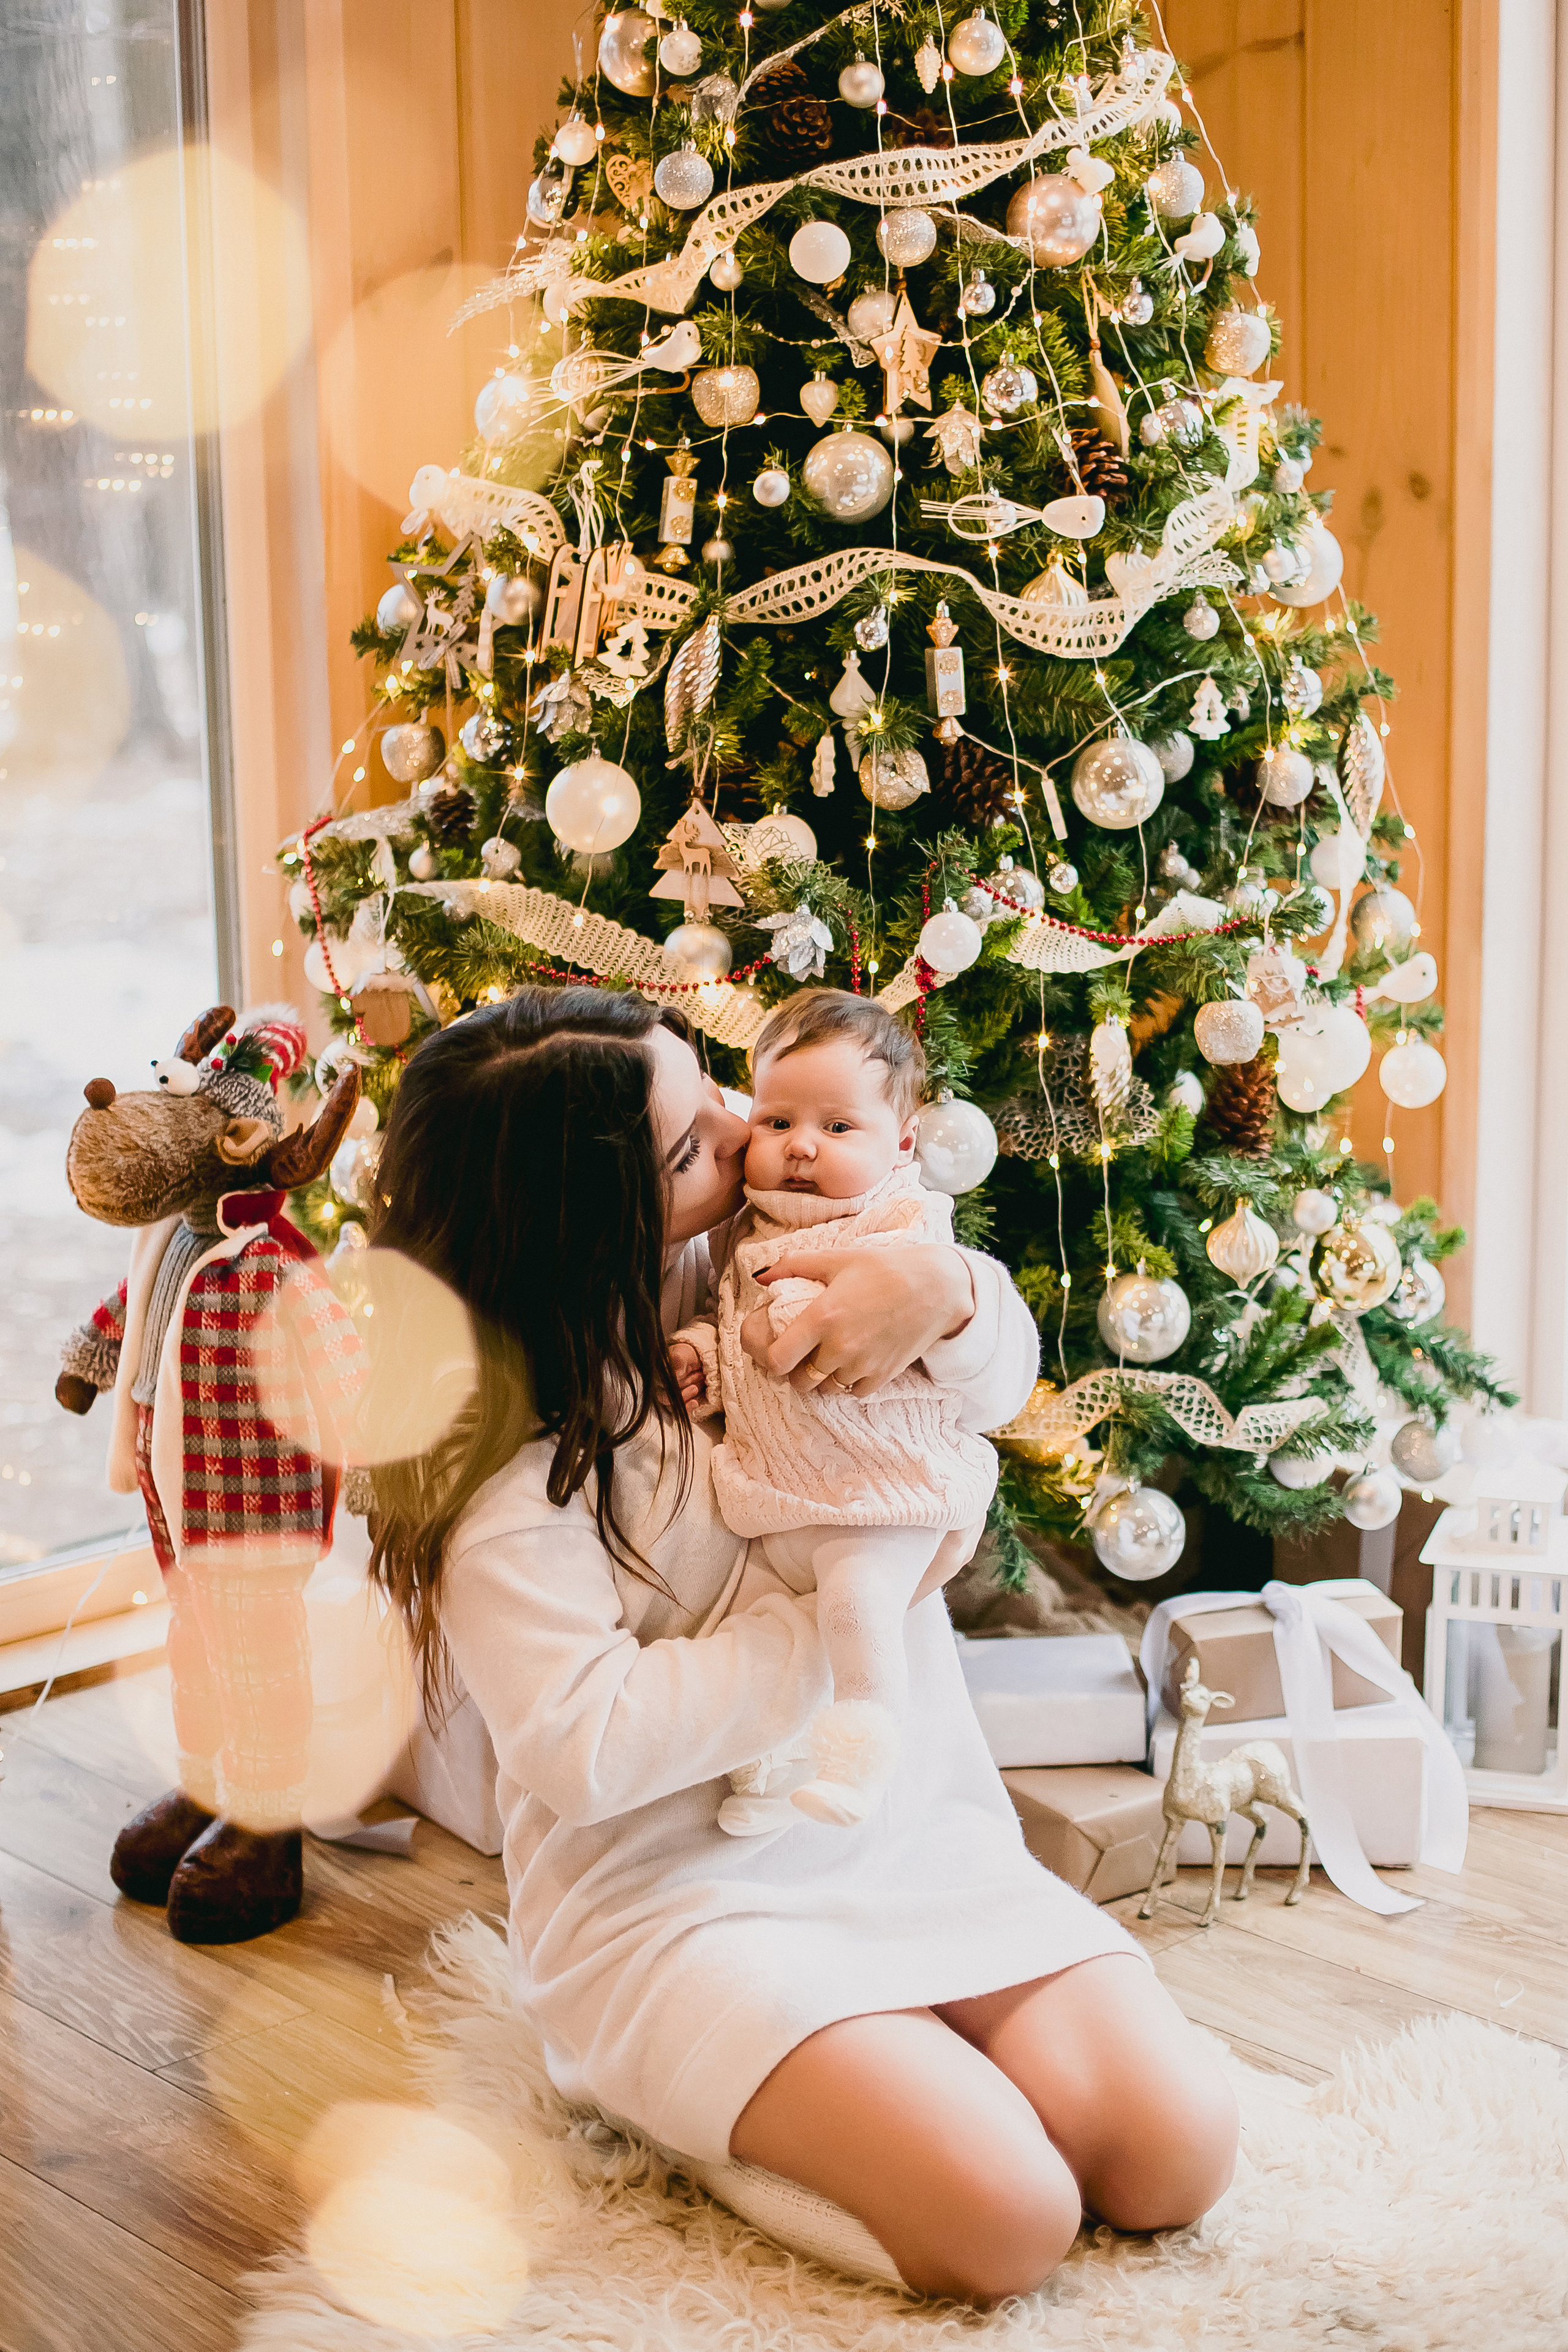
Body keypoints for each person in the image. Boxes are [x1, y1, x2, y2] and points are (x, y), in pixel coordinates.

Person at [368, 987, 1238, 2302]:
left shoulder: (774, 1237)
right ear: (593, 1220)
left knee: (1173, 2157)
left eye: (712, 1089)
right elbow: (583, 1748)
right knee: (1007, 2225)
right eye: (690, 1147)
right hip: (678, 1905)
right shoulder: (506, 1467)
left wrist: (948, 1291)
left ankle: (890, 2068)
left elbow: (995, 1384)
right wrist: (845, 1623)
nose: (745, 1135)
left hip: (900, 1833)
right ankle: (706, 2119)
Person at [670, 990, 1000, 1833]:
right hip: (784, 1492)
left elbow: (875, 1301)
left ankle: (863, 1760)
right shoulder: (746, 1227)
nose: (802, 1146)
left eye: (839, 1127)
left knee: (855, 1610)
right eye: (776, 1122)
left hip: (883, 1486)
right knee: (755, 1629)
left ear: (904, 1141)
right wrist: (703, 1353)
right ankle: (769, 1775)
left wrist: (778, 1318)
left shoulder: (900, 1213)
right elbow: (729, 1320)